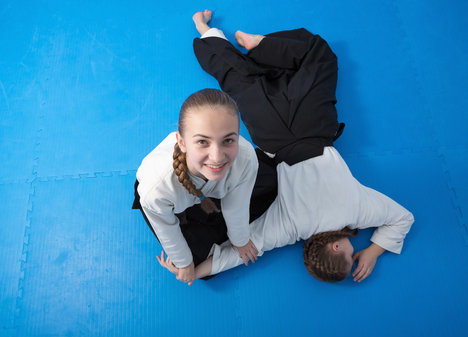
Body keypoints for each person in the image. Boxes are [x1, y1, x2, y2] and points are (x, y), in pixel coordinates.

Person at [157, 10, 414, 283]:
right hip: (274, 135)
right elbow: (240, 252)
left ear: (337, 247)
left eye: (351, 256)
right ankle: (206, 30)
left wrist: (373, 251)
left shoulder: (357, 210)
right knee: (239, 79)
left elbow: (402, 218)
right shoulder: (291, 228)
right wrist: (193, 272)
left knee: (318, 55)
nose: (356, 254)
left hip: (314, 125)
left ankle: (261, 46)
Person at [133, 88, 262, 285]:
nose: (217, 157)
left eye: (228, 140)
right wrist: (184, 263)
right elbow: (166, 227)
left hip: (212, 189)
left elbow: (237, 206)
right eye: (203, 141)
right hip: (173, 201)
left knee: (271, 186)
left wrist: (240, 240)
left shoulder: (245, 158)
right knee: (200, 265)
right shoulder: (156, 188)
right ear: (182, 142)